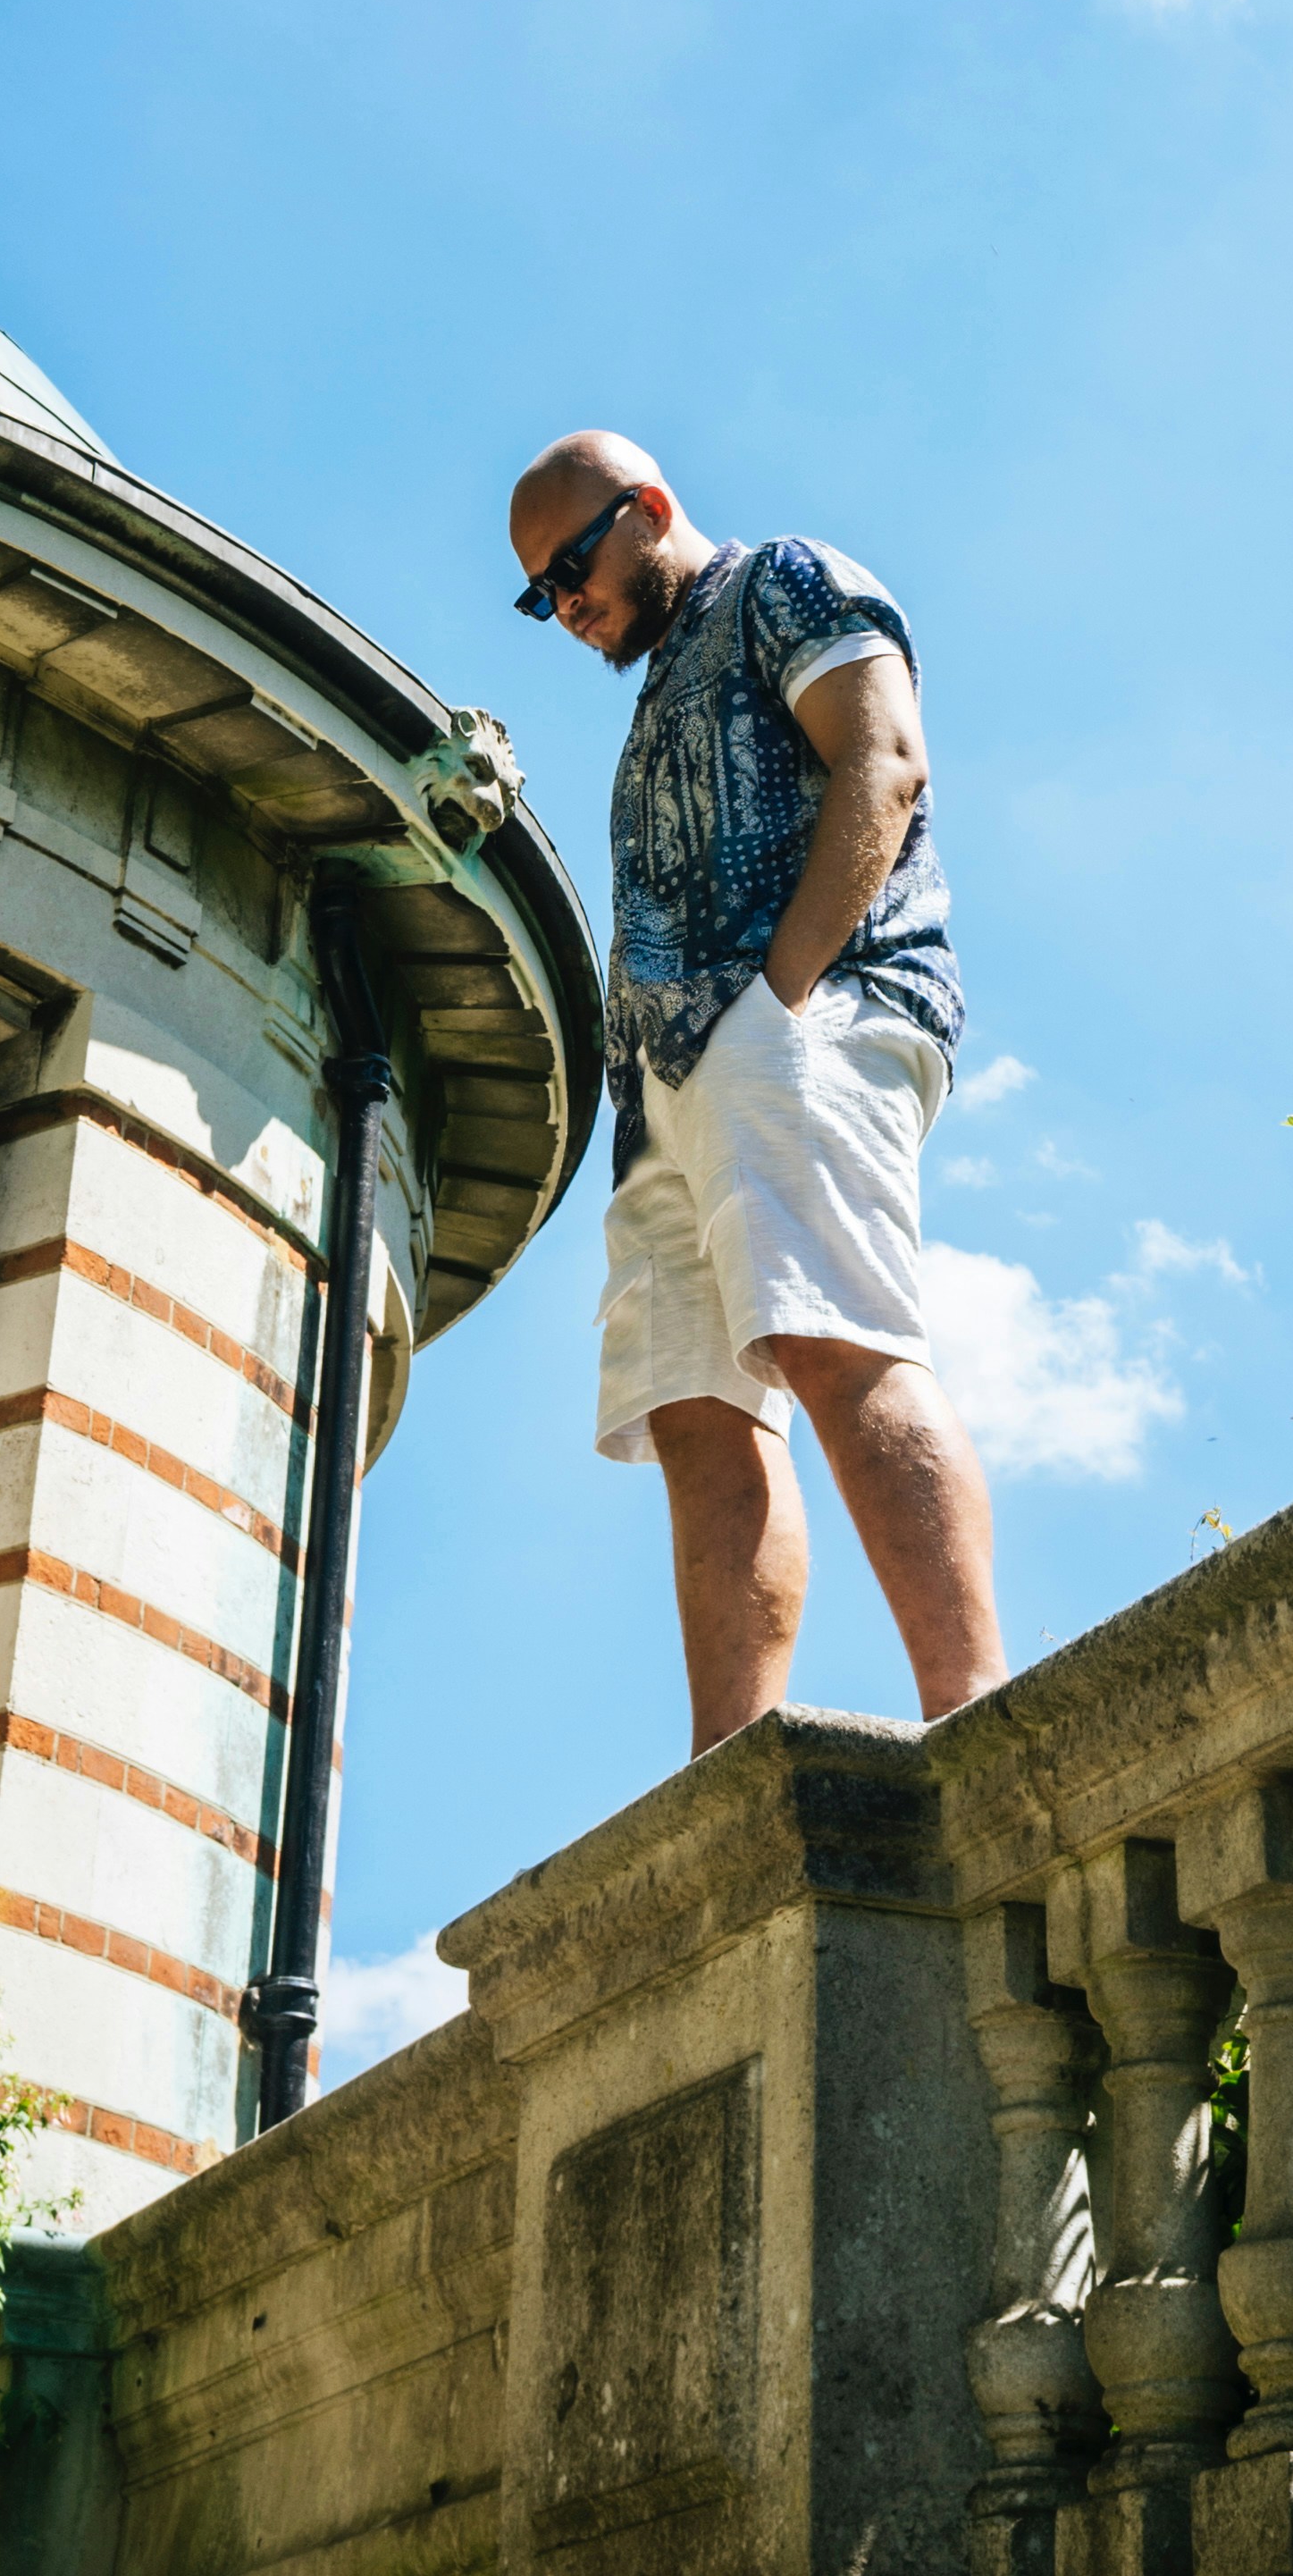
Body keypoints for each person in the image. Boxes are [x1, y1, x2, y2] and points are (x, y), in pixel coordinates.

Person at [508, 429, 1008, 1755]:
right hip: (669, 1090)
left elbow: (885, 763)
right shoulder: (653, 691)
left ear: (648, 511)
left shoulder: (783, 580)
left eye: (572, 567)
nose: (565, 607)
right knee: (698, 1408)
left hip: (803, 1018)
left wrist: (779, 995)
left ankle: (978, 1712)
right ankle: (731, 1765)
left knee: (833, 1334)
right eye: (539, 595)